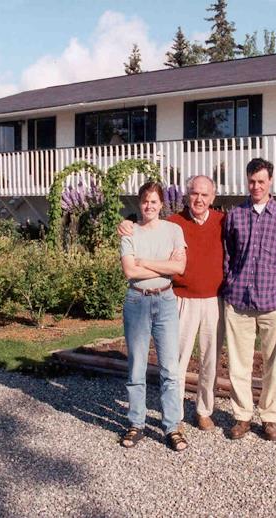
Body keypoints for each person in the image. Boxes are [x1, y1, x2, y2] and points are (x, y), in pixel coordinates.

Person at [118, 176, 276, 433]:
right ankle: (176, 415)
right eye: (194, 194)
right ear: (187, 195)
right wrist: (126, 222)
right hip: (181, 300)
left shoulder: (223, 220)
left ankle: (204, 410)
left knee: (210, 361)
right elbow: (149, 224)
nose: (199, 199)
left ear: (213, 197)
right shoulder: (174, 223)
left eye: (205, 195)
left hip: (214, 300)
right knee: (176, 360)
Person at [222, 157, 276, 441]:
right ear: (246, 181)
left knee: (273, 365)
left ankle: (270, 418)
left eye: (261, 181)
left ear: (270, 181)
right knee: (239, 365)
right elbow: (227, 255)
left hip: (274, 303)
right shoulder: (235, 215)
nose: (256, 186)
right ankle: (242, 416)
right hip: (239, 302)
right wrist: (230, 285)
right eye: (251, 181)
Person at [119, 181, 188, 451]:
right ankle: (136, 423)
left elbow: (179, 267)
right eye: (145, 201)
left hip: (166, 301)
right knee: (136, 366)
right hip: (137, 300)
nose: (149, 206)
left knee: (170, 368)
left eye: (154, 201)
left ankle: (172, 427)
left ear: (161, 204)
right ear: (140, 203)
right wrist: (164, 266)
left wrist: (144, 262)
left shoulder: (174, 230)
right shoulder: (129, 231)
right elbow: (130, 271)